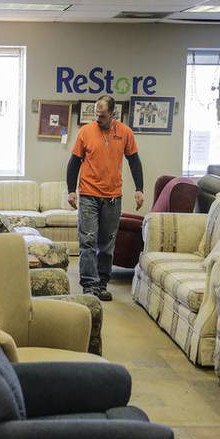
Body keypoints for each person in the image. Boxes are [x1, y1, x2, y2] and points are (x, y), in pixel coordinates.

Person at [66, 94, 144, 301]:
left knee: (107, 243)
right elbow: (73, 163)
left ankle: (102, 282)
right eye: (96, 114)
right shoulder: (86, 132)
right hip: (89, 195)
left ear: (113, 114)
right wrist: (71, 190)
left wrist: (140, 188)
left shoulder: (125, 133)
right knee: (88, 240)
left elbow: (134, 161)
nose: (97, 119)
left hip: (113, 197)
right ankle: (89, 285)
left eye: (101, 116)